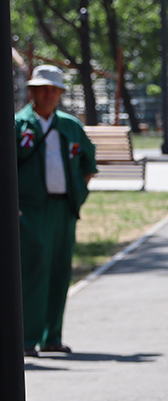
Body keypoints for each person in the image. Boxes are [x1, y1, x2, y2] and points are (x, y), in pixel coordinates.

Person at [16, 64, 96, 358]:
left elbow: (89, 163)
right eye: (42, 89)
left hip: (64, 209)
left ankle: (53, 337)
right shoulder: (18, 125)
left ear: (60, 93)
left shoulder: (70, 126)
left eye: (53, 89)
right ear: (32, 92)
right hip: (30, 209)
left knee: (60, 271)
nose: (48, 94)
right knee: (33, 270)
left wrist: (79, 192)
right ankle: (26, 338)